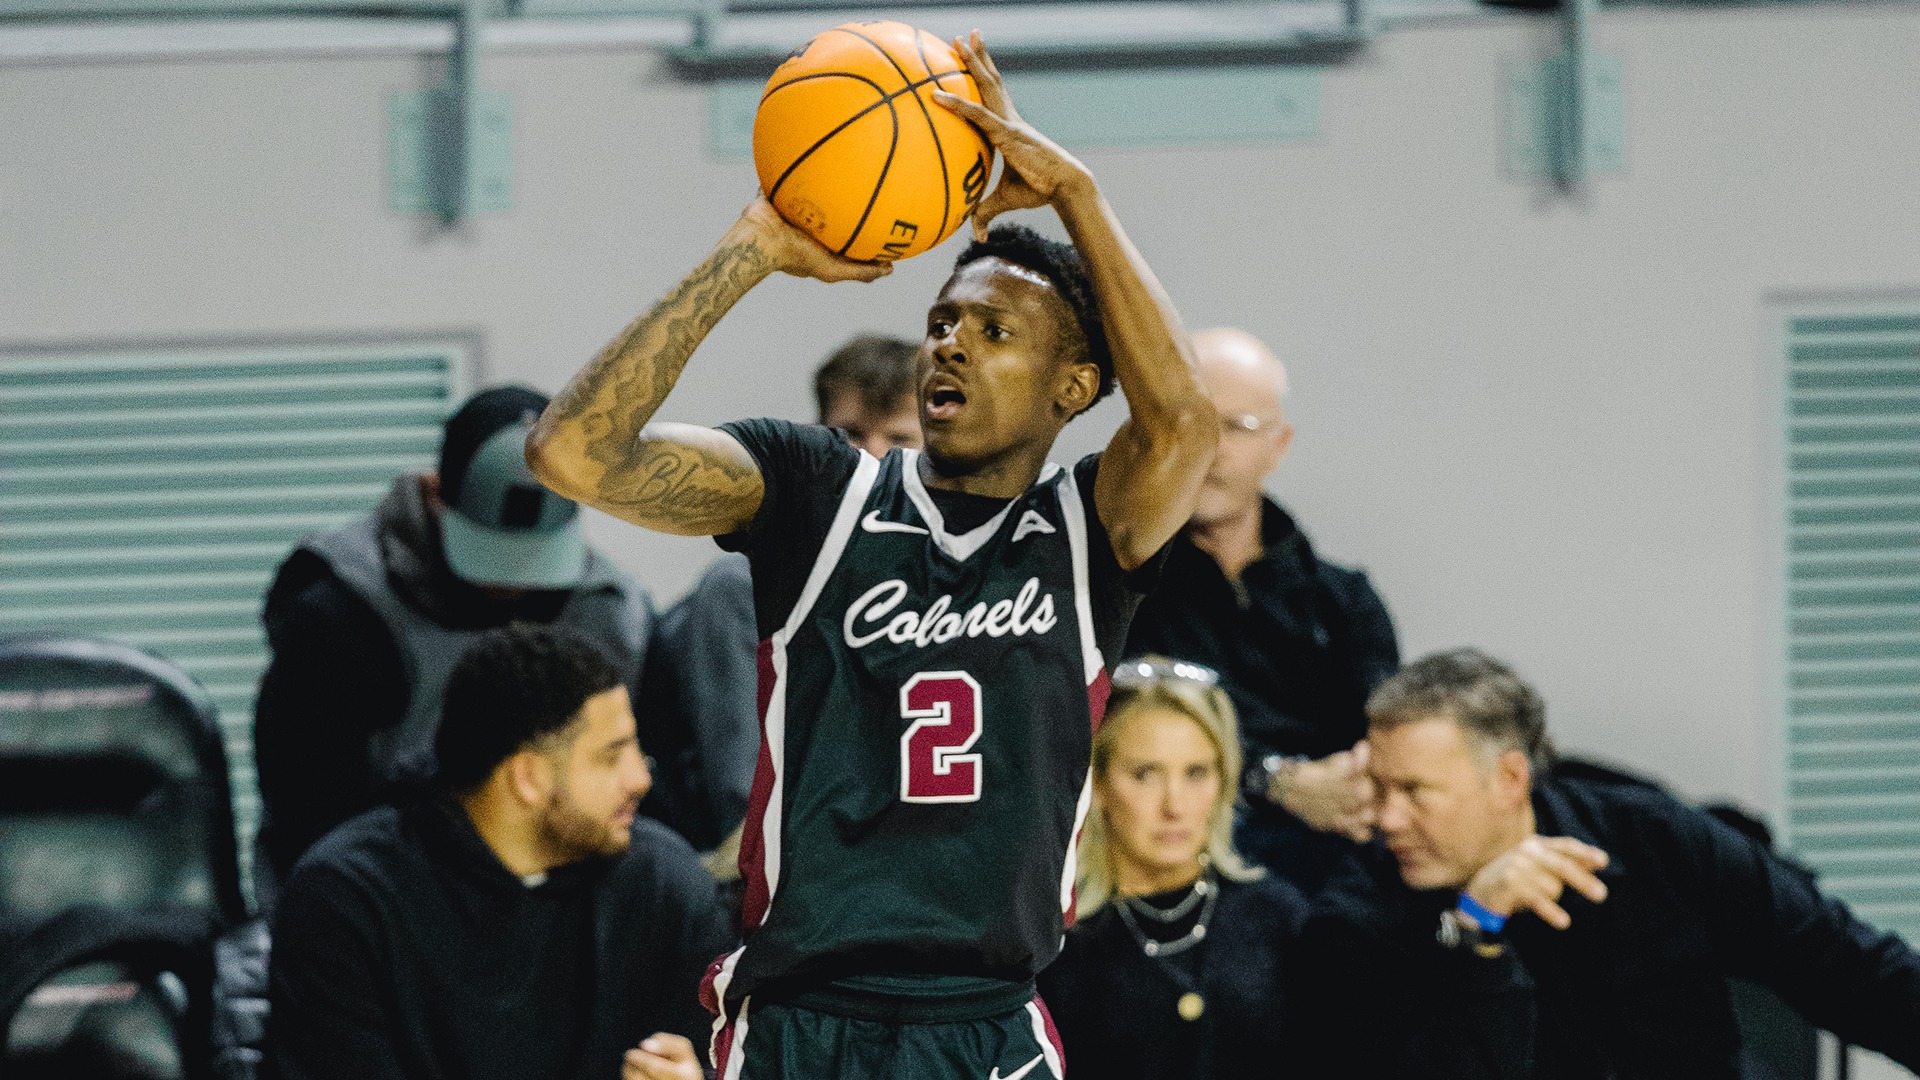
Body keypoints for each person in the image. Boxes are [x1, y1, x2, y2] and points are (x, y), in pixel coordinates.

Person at [526, 32, 1216, 1080]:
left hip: (987, 1023)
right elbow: (571, 454)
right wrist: (750, 248)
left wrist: (1076, 192)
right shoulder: (816, 491)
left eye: (994, 331)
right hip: (803, 1020)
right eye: (943, 321)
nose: (950, 342)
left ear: (1074, 388)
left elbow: (1186, 425)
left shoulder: (1088, 531)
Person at [1293, 648, 1920, 1078]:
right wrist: (1474, 932)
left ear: (1509, 779)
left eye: (1414, 792)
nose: (1387, 819)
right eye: (1379, 788)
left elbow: (1849, 968)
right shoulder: (1354, 920)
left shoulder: (1652, 838)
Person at [265, 623, 732, 1080]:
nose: (642, 779)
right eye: (611, 756)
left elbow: (713, 1056)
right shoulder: (346, 901)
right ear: (527, 778)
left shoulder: (663, 886)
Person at [252, 385, 655, 893]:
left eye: (534, 558)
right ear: (434, 494)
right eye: (491, 555)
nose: (513, 584)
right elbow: (308, 814)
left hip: (565, 892)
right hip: (380, 890)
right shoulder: (340, 614)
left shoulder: (611, 610)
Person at [1125, 327, 1398, 893]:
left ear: (1279, 445)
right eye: (1193, 424)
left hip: (1348, 846)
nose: (1212, 449)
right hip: (1188, 857)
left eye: (1237, 426)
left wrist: (1353, 783)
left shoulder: (1344, 598)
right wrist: (1279, 783)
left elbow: (1388, 729)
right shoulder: (1119, 591)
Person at [644, 335, 923, 850]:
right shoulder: (740, 588)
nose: (874, 457)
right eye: (852, 434)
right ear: (819, 436)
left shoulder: (953, 577)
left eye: (899, 439)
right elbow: (745, 802)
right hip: (769, 865)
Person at [1037, 656, 1306, 1080]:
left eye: (1196, 773)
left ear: (1223, 780)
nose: (1174, 806)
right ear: (1098, 784)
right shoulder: (1053, 944)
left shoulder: (1280, 916)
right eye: (1145, 774)